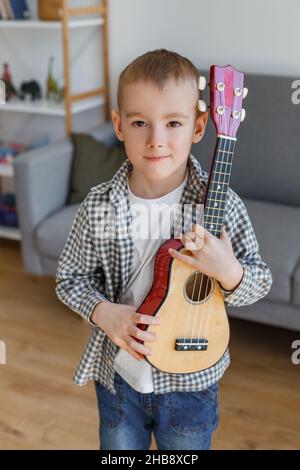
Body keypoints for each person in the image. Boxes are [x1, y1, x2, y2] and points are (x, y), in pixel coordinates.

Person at [55, 49, 273, 450]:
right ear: (119, 126)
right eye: (140, 122)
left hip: (193, 382)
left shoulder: (221, 207)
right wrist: (106, 314)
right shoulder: (100, 205)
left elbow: (261, 280)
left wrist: (229, 271)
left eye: (173, 122)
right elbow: (70, 279)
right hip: (120, 377)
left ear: (200, 125)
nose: (156, 140)